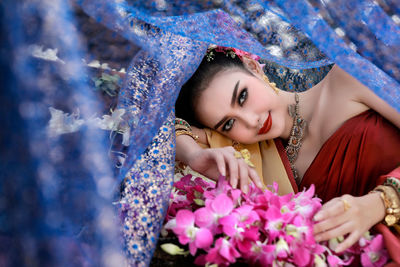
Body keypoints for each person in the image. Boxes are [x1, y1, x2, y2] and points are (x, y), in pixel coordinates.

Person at [174, 46, 400, 262]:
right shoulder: (251, 154)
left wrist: (380, 203)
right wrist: (193, 155)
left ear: (253, 66)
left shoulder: (348, 77)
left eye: (242, 97)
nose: (252, 121)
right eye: (229, 123)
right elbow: (160, 130)